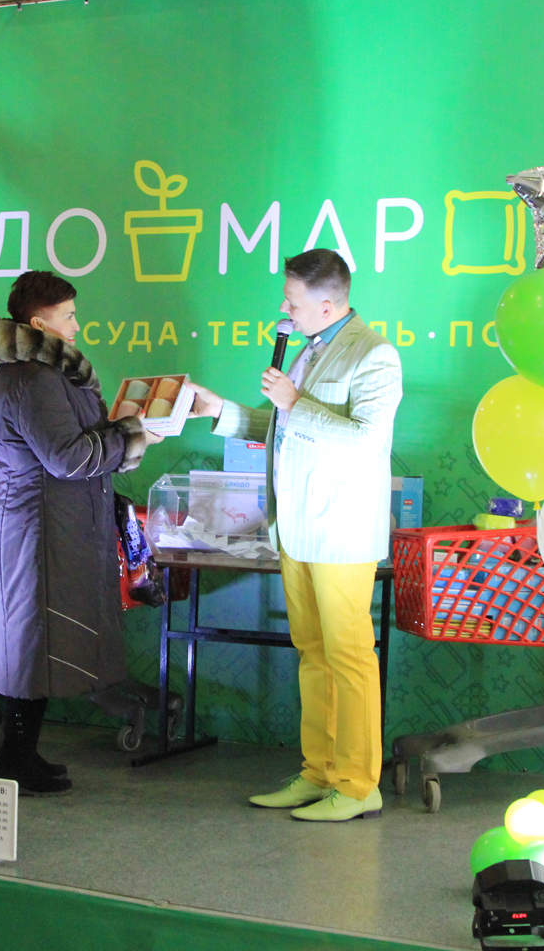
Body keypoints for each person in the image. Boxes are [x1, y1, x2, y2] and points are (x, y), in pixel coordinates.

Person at [189, 249, 402, 822]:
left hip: (341, 530)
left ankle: (358, 786)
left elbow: (365, 438)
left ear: (327, 305)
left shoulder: (375, 355)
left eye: (293, 301)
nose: (284, 309)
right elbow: (280, 425)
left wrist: (296, 402)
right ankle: (319, 773)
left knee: (349, 657)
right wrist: (220, 410)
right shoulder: (310, 349)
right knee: (312, 652)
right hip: (296, 527)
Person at [0, 270, 161, 794]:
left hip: (44, 527)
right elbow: (68, 457)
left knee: (34, 645)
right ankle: (15, 760)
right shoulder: (34, 379)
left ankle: (20, 755)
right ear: (39, 324)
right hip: (32, 532)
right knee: (30, 644)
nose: (77, 325)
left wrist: (124, 429)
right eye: (69, 316)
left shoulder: (43, 374)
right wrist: (130, 436)